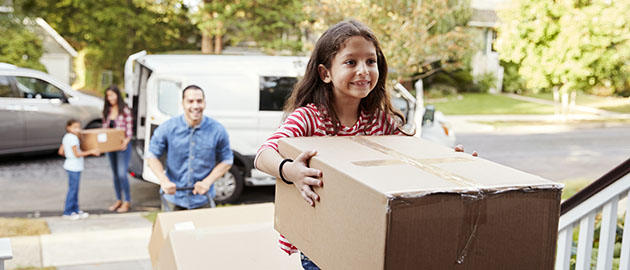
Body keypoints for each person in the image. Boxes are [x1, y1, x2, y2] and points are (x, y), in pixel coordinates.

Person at [254, 19, 475, 270]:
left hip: (364, 239)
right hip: (320, 244)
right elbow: (263, 154)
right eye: (351, 62)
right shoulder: (309, 118)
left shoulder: (381, 123)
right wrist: (290, 171)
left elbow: (415, 162)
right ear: (325, 73)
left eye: (371, 61)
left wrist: (450, 162)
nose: (364, 70)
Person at [146, 85, 233, 211]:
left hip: (203, 199)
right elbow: (152, 155)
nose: (195, 106)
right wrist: (164, 180)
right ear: (183, 103)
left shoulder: (217, 130)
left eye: (199, 101)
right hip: (173, 199)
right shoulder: (167, 128)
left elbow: (227, 160)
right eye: (190, 101)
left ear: (205, 103)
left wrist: (208, 182)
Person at [58, 119, 100, 220]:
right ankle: (68, 211)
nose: (78, 129)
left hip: (70, 165)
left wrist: (69, 155)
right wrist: (91, 152)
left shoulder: (66, 137)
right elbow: (77, 154)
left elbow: (61, 151)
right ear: (68, 127)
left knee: (74, 189)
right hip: (74, 166)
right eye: (75, 127)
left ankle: (75, 209)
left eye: (79, 127)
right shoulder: (73, 139)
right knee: (73, 190)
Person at [102, 85, 134, 213]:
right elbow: (104, 130)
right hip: (111, 147)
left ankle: (127, 201)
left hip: (123, 147)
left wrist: (126, 141)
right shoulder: (107, 110)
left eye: (112, 95)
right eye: (108, 96)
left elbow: (130, 130)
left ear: (117, 95)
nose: (110, 98)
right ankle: (118, 200)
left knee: (122, 174)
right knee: (115, 175)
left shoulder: (125, 109)